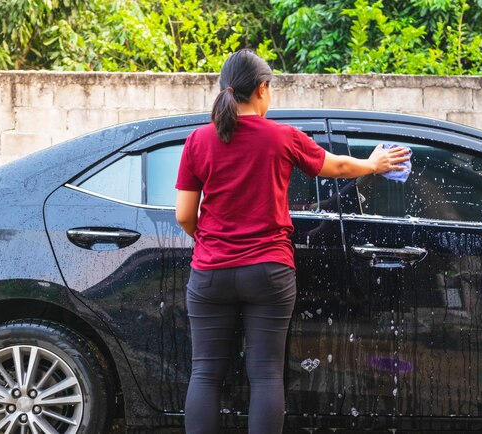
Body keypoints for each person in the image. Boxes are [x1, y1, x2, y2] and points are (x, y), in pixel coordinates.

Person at [174, 48, 410, 434]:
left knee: (205, 374)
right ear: (262, 89)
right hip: (269, 271)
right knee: (266, 374)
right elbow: (335, 165)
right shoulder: (282, 137)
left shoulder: (198, 140)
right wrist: (373, 164)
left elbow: (184, 214)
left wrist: (210, 241)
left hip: (211, 273)